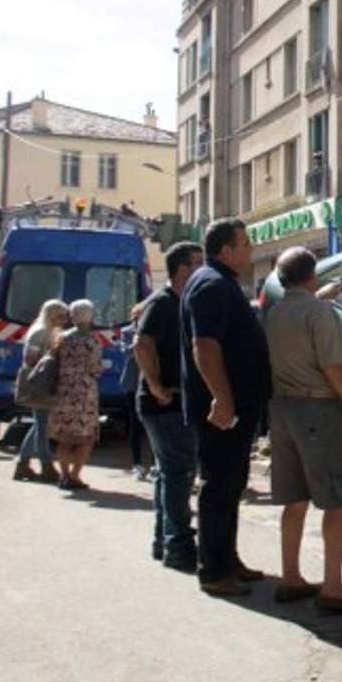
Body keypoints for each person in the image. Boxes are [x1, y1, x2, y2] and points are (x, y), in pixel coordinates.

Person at [263, 247, 342, 614]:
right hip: (318, 411)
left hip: (282, 410)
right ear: (311, 276)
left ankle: (291, 578)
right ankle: (332, 588)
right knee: (336, 501)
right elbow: (336, 370)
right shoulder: (320, 313)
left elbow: (300, 319)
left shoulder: (276, 312)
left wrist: (317, 299)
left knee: (294, 499)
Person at [181, 218, 272, 596]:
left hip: (236, 408)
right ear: (226, 250)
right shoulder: (211, 285)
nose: (250, 249)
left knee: (231, 485)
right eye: (245, 243)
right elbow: (206, 345)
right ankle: (215, 571)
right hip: (222, 412)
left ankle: (227, 559)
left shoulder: (219, 282)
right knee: (219, 487)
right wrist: (222, 396)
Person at [135, 241, 204, 573]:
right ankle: (178, 545)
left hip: (171, 402)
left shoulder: (180, 302)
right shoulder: (163, 303)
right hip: (166, 404)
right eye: (197, 264)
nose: (203, 270)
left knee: (168, 474)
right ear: (183, 269)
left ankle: (163, 541)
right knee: (177, 475)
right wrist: (155, 385)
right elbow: (142, 344)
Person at [48, 300, 102, 490]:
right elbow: (96, 368)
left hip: (63, 390)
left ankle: (63, 475)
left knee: (64, 437)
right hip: (84, 392)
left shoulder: (62, 338)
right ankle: (75, 475)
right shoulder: (92, 340)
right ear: (90, 316)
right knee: (85, 437)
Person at [13, 300, 69, 483]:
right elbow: (30, 359)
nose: (64, 319)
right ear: (51, 315)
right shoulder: (39, 333)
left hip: (44, 382)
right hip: (39, 382)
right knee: (42, 425)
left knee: (41, 424)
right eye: (61, 315)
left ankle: (23, 465)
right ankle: (45, 466)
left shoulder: (50, 331)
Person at [119, 307, 151, 480]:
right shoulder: (127, 332)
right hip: (132, 382)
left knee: (152, 425)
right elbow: (127, 351)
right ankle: (137, 464)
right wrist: (140, 340)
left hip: (150, 381)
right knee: (135, 424)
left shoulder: (154, 328)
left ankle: (155, 464)